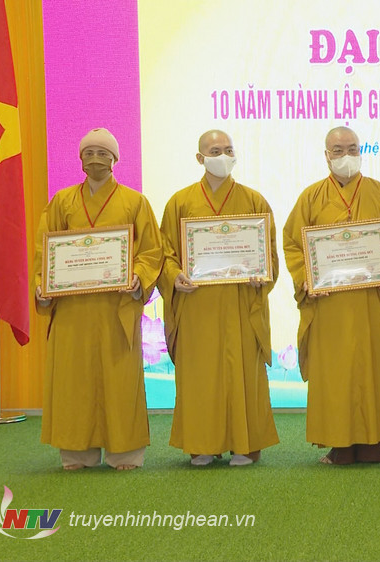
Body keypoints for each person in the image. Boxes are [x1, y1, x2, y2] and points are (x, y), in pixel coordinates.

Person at [34, 128, 163, 470]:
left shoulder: (135, 202)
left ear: (115, 159)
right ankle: (77, 453)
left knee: (120, 381)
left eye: (103, 153)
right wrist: (43, 285)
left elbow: (151, 250)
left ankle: (125, 452)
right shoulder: (62, 202)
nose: (95, 159)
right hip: (73, 311)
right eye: (89, 152)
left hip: (115, 308)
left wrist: (137, 277)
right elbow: (44, 249)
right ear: (80, 159)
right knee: (73, 381)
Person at [283, 126, 380, 465]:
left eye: (352, 149)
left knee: (374, 371)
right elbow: (293, 244)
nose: (346, 156)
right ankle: (337, 444)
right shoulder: (310, 198)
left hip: (372, 303)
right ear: (326, 156)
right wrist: (306, 278)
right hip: (330, 306)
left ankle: (375, 444)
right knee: (335, 375)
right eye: (338, 150)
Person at [159, 130, 280, 467]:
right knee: (200, 375)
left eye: (228, 149)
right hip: (197, 305)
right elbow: (165, 253)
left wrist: (261, 273)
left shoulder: (254, 201)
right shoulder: (180, 202)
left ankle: (245, 444)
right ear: (200, 158)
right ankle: (203, 445)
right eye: (215, 151)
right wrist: (174, 277)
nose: (223, 156)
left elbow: (269, 253)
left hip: (242, 304)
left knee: (244, 372)